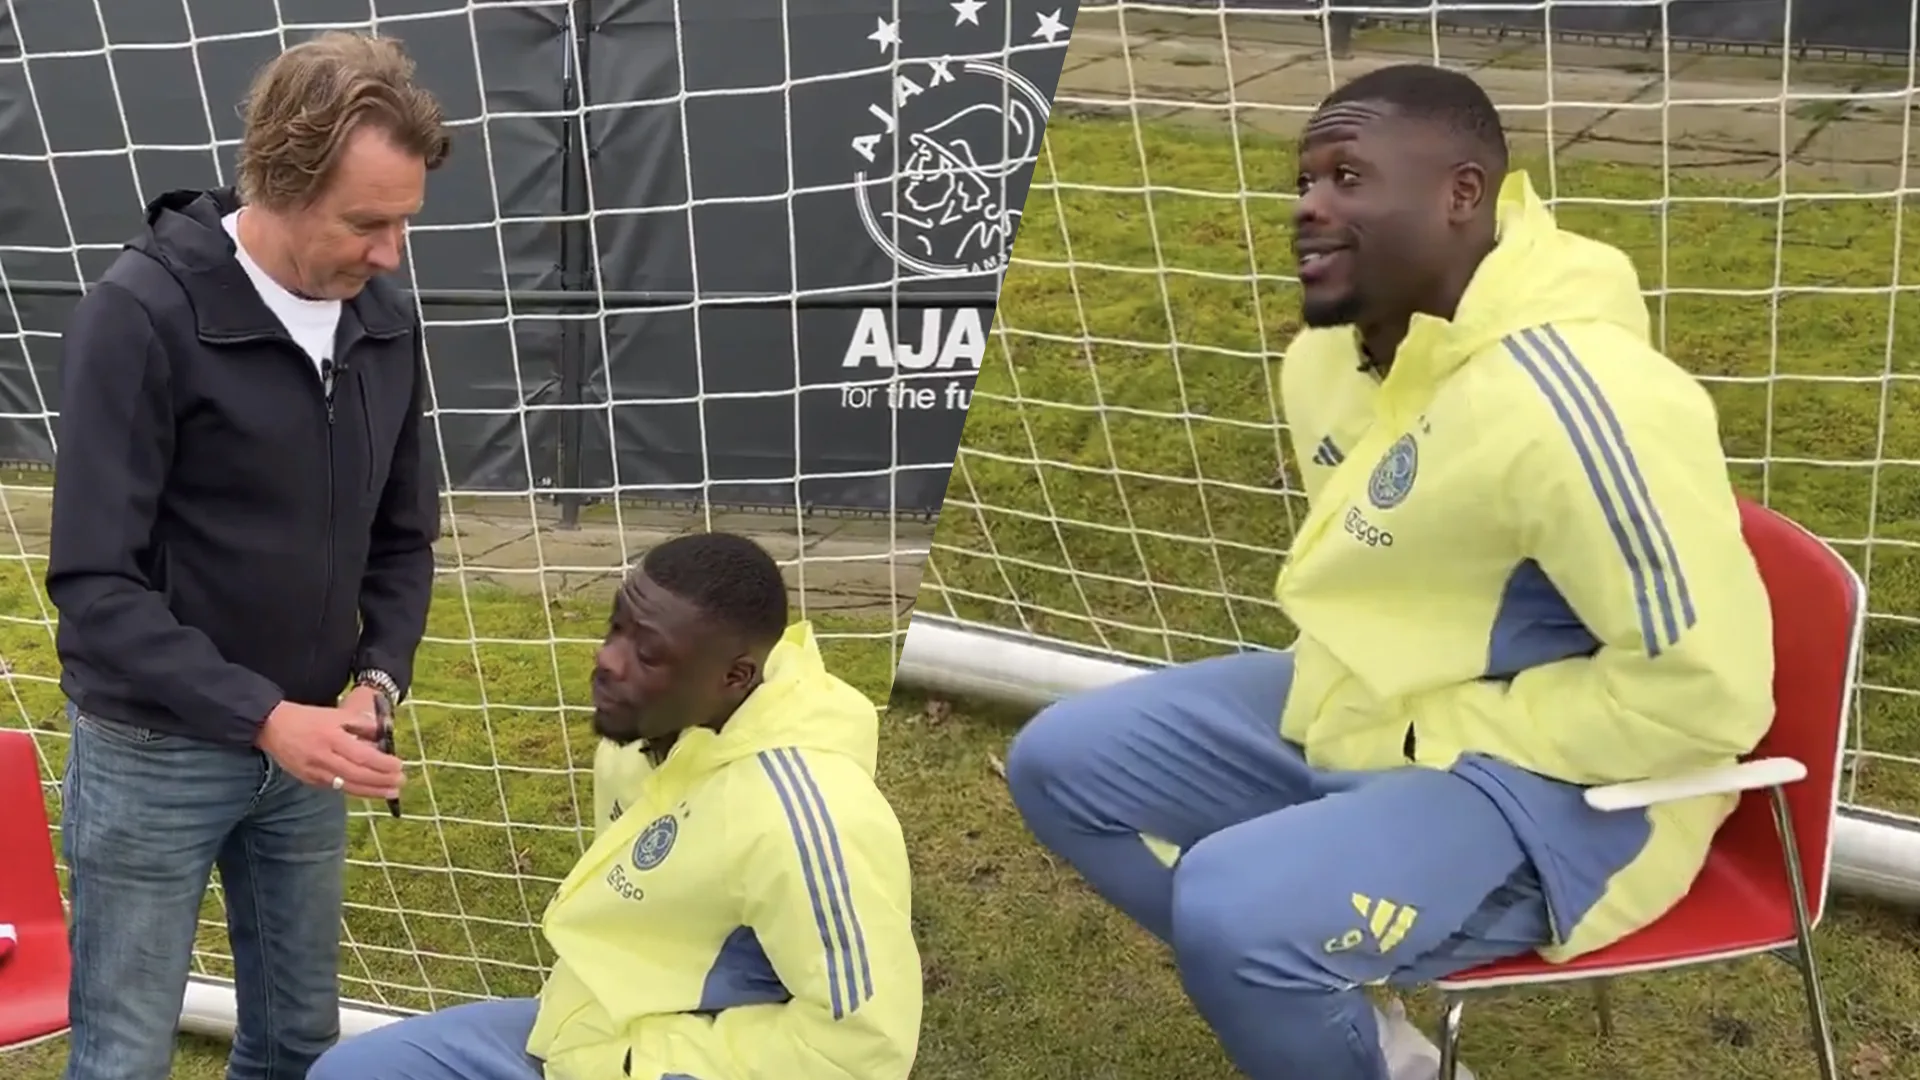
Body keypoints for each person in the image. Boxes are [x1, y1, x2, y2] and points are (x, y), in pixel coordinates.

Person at [1005, 63, 1775, 1080]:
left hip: (1576, 793)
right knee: (1061, 764)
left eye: (1349, 177)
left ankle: (1287, 967)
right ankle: (1351, 1020)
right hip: (1374, 710)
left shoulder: (1584, 399)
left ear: (1462, 194)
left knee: (1236, 908)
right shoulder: (1326, 360)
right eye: (1304, 181)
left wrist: (1426, 734)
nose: (1308, 207)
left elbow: (1708, 699)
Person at [45, 31, 449, 1080]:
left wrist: (377, 679)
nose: (391, 254)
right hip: (154, 750)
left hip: (313, 746)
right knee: (124, 1056)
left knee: (297, 1044)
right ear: (281, 183)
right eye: (367, 223)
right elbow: (94, 583)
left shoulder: (386, 320)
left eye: (405, 222)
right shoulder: (141, 315)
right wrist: (264, 716)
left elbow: (403, 536)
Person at [306, 532, 924, 1080]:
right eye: (616, 628)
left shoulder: (811, 817)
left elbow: (863, 1052)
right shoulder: (637, 744)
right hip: (584, 1037)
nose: (607, 660)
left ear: (734, 677)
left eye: (647, 654)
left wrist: (642, 1065)